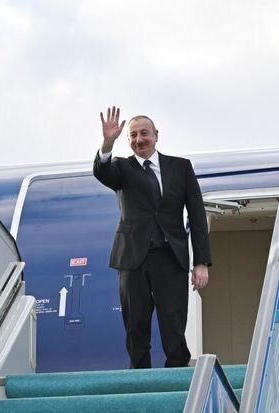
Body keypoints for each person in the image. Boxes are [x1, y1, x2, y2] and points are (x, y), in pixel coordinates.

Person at [93, 106, 211, 368]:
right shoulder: (121, 168)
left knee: (174, 325)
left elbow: (197, 215)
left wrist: (201, 262)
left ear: (156, 135)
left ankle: (176, 379)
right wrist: (108, 141)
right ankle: (140, 381)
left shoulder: (180, 167)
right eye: (133, 135)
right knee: (135, 326)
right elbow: (102, 171)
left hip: (170, 256)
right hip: (132, 258)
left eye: (144, 133)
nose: (139, 140)